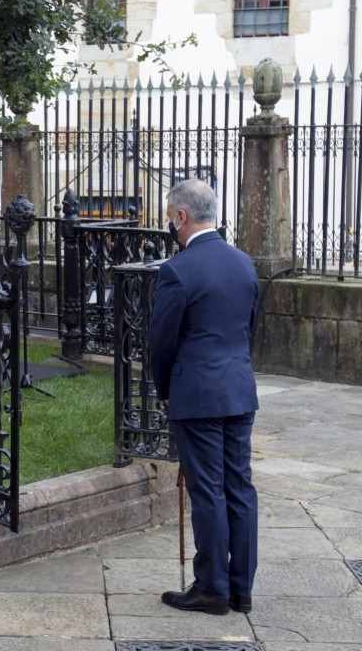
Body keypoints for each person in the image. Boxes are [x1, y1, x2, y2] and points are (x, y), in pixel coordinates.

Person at [147, 179, 260, 616]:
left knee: (209, 490)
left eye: (170, 218)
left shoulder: (178, 270)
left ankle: (212, 587)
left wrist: (165, 390)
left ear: (181, 216)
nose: (170, 227)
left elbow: (162, 342)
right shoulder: (244, 263)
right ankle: (240, 589)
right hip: (239, 389)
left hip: (197, 394)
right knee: (240, 488)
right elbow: (249, 328)